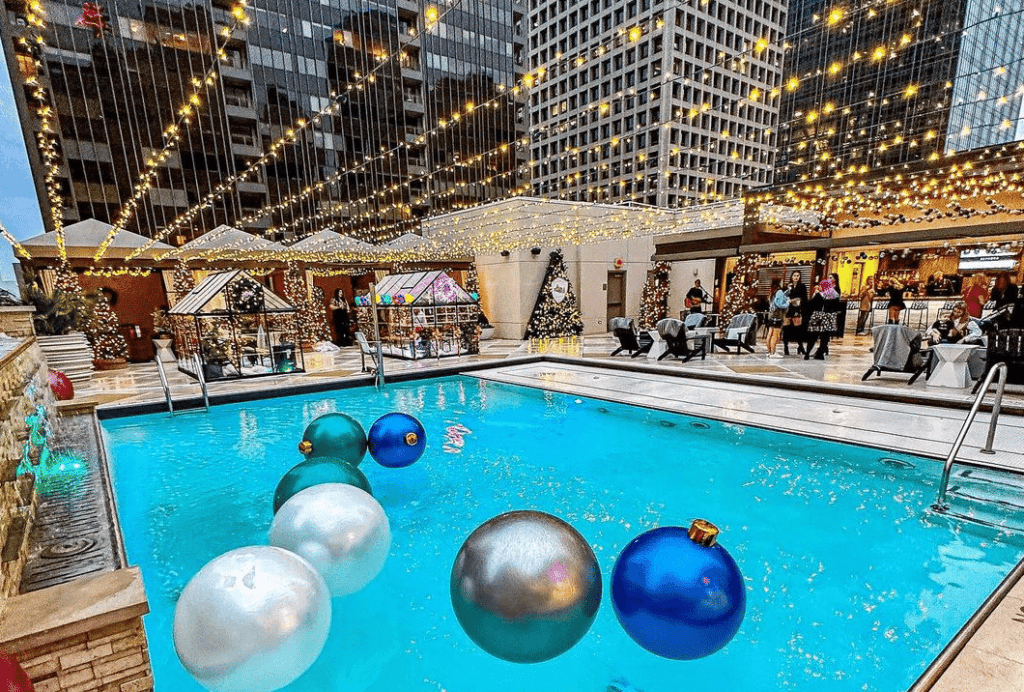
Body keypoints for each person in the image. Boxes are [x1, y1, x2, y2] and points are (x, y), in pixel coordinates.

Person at [804, 277, 841, 359]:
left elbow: (810, 304)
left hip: (818, 317)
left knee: (813, 336)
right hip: (829, 318)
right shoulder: (835, 295)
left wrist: (814, 295)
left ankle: (807, 353)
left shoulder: (820, 295)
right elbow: (837, 307)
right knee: (825, 337)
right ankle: (820, 354)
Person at [782, 270, 807, 356]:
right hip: (788, 309)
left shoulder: (802, 286)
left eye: (798, 276)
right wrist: (790, 299)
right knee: (786, 329)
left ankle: (801, 347)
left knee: (798, 329)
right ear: (791, 277)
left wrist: (799, 301)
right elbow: (784, 297)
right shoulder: (788, 286)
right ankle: (786, 347)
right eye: (794, 275)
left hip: (797, 309)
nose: (796, 277)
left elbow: (805, 298)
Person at [765, 278, 788, 358]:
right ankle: (773, 352)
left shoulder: (772, 291)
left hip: (771, 315)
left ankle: (769, 351)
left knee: (770, 334)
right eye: (781, 282)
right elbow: (780, 304)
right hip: (778, 315)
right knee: (776, 334)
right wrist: (787, 302)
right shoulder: (779, 292)